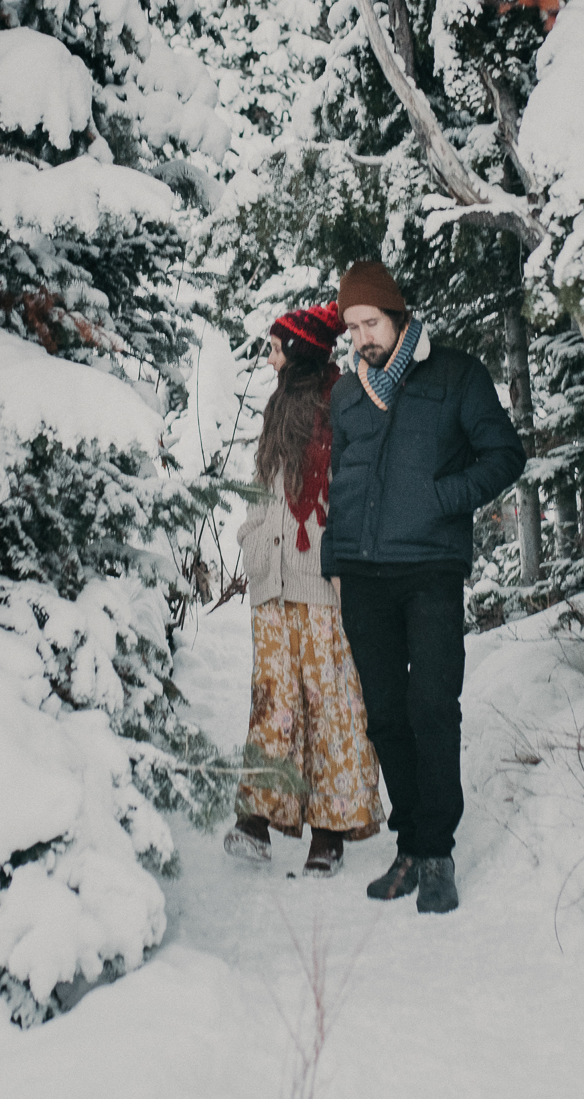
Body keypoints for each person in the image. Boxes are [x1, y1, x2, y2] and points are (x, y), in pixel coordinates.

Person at [322, 260, 525, 915]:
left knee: (432, 707)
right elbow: (342, 483)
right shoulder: (346, 394)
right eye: (352, 326)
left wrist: (443, 497)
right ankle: (408, 844)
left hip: (431, 568)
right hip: (361, 573)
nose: (361, 337)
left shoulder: (456, 375)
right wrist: (334, 556)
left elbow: (504, 456)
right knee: (384, 714)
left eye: (370, 322)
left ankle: (437, 853)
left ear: (398, 314)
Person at [224, 302, 386, 876]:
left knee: (330, 702)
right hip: (272, 576)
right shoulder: (276, 408)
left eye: (275, 348)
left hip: (322, 578)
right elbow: (263, 483)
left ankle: (331, 829)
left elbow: (353, 485)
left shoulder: (341, 402)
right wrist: (250, 535)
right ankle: (256, 820)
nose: (270, 358)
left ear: (300, 352)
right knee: (273, 699)